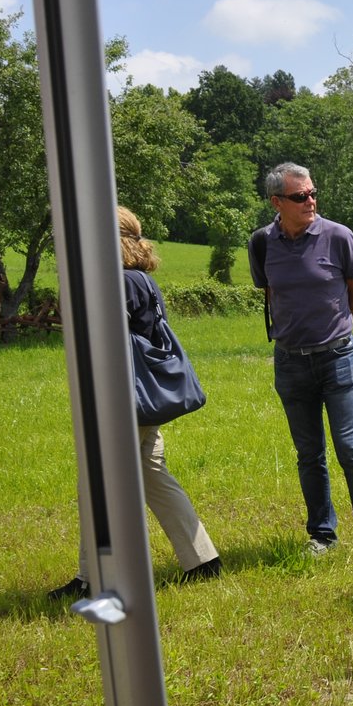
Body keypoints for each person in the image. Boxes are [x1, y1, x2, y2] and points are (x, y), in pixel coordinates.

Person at [49, 207, 222, 598]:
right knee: (153, 475)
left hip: (122, 398)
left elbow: (86, 328)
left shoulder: (117, 282)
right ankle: (203, 560)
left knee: (97, 485)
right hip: (144, 397)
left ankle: (92, 578)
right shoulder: (140, 279)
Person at [248, 163, 353, 564]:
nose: (310, 201)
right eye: (299, 196)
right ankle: (322, 535)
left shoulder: (338, 237)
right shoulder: (261, 243)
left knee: (350, 446)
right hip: (290, 362)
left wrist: (335, 333)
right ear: (277, 202)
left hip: (337, 358)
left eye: (312, 193)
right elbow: (272, 292)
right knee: (309, 453)